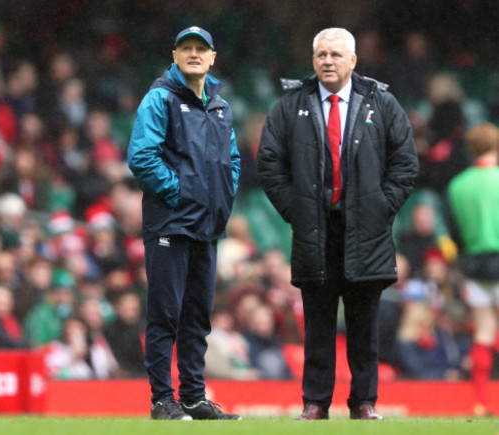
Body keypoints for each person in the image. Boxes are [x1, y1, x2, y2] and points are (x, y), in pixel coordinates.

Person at [257, 28, 418, 420]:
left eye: (335, 54)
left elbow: (405, 163)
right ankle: (315, 403)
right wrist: (296, 210)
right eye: (321, 54)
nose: (328, 61)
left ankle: (364, 403)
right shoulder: (289, 105)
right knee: (317, 325)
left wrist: (382, 207)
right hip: (315, 230)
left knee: (365, 326)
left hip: (367, 231)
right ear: (313, 60)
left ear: (353, 60)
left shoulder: (382, 103)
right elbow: (269, 163)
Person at [127, 26, 241, 421]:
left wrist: (221, 199)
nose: (194, 54)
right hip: (171, 224)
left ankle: (192, 397)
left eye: (201, 49)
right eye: (186, 48)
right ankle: (162, 400)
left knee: (197, 318)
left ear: (213, 58)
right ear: (174, 56)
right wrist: (180, 195)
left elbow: (233, 161)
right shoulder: (159, 99)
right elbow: (142, 157)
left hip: (207, 227)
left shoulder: (221, 107)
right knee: (165, 315)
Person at [447, 122, 499, 416]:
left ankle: (481, 403)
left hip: (474, 265)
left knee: (483, 331)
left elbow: (454, 233)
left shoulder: (458, 185)